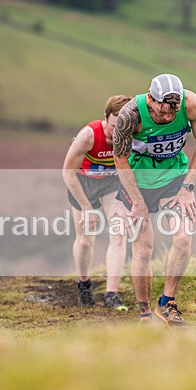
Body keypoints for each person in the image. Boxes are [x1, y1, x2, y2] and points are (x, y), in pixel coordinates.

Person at [112, 73, 196, 327]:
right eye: (161, 113)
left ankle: (167, 303)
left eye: (173, 113)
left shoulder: (191, 104)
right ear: (150, 99)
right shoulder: (130, 115)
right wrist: (138, 203)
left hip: (174, 177)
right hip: (137, 181)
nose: (167, 118)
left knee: (182, 238)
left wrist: (188, 187)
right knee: (143, 248)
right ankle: (144, 313)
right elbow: (120, 159)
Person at [62, 95, 132, 310]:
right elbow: (68, 173)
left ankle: (112, 294)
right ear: (105, 118)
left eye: (122, 128)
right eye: (113, 127)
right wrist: (87, 208)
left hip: (111, 183)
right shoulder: (88, 135)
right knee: (85, 239)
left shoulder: (133, 135)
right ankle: (84, 284)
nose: (117, 133)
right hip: (82, 183)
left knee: (119, 234)